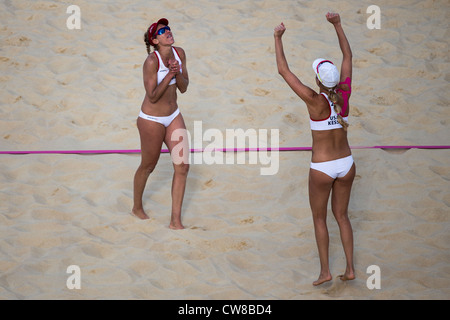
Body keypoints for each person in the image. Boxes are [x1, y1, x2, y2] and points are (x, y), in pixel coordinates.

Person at [274, 13, 355, 285]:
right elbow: (348, 56)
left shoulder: (313, 99)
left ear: (319, 81)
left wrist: (277, 38)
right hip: (346, 164)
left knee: (320, 219)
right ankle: (351, 268)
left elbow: (284, 71)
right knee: (342, 216)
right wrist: (337, 25)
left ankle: (325, 271)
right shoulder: (344, 93)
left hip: (322, 168)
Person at [132, 18, 190, 230]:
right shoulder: (151, 61)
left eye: (169, 28)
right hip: (151, 119)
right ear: (155, 40)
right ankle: (137, 207)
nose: (168, 32)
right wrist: (171, 74)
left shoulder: (179, 53)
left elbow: (183, 88)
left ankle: (176, 221)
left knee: (182, 166)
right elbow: (153, 96)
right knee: (148, 165)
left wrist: (178, 72)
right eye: (162, 31)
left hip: (173, 114)